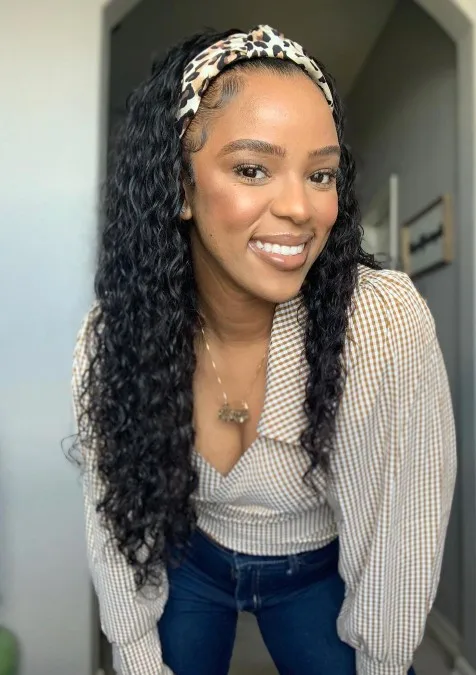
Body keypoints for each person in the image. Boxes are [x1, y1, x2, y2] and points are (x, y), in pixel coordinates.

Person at [72, 24, 456, 675]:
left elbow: (401, 530)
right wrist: (135, 654)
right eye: (252, 169)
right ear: (180, 185)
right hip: (189, 557)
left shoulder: (379, 323)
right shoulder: (118, 332)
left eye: (321, 174)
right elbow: (115, 513)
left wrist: (384, 660)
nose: (301, 208)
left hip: (315, 570)